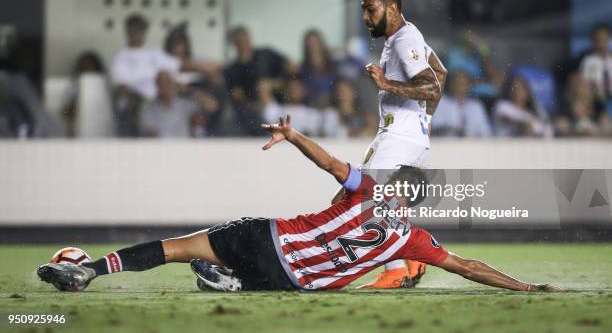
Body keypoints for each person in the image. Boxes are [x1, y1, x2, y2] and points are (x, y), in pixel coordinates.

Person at [36, 115, 561, 294]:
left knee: (175, 247)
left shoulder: (369, 189)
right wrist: (524, 285)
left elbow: (330, 163)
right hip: (296, 285)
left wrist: (293, 135)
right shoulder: (413, 239)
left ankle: (90, 272)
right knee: (249, 271)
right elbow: (468, 267)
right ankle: (231, 280)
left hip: (271, 240)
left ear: (395, 183)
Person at [356, 0, 448, 289]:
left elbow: (431, 84)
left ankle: (396, 271)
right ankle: (414, 260)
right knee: (379, 200)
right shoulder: (406, 36)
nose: (366, 17)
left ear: (392, 8)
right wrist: (427, 118)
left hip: (400, 136)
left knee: (365, 199)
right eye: (364, 11)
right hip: (404, 134)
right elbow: (441, 72)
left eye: (371, 10)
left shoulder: (403, 39)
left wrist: (387, 85)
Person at [111, 14, 181, 136]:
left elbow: (178, 66)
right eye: (134, 29)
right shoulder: (120, 57)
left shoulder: (154, 53)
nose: (137, 33)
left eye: (140, 29)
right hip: (135, 105)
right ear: (127, 31)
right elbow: (120, 88)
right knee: (139, 108)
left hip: (159, 103)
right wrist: (144, 100)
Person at [223, 26, 291, 136]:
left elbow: (290, 66)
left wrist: (273, 84)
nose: (243, 43)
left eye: (244, 39)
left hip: (280, 103)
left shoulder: (265, 55)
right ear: (234, 44)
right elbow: (237, 96)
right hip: (254, 111)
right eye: (239, 41)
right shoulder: (232, 69)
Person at [432, 71, 492, 137]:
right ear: (452, 84)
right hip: (446, 145)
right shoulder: (441, 103)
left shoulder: (476, 106)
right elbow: (433, 129)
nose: (461, 86)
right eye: (458, 82)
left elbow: (486, 133)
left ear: (469, 85)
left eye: (464, 83)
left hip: (472, 145)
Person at [140, 71, 199, 138]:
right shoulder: (148, 108)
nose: (164, 86)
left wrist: (189, 90)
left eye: (167, 82)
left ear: (173, 83)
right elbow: (151, 134)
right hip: (161, 146)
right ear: (156, 85)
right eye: (161, 83)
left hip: (184, 145)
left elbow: (210, 107)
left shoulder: (186, 104)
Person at [579, 24, 612, 115]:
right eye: (598, 40)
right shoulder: (588, 61)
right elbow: (583, 82)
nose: (601, 43)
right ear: (593, 42)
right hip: (596, 98)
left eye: (604, 40)